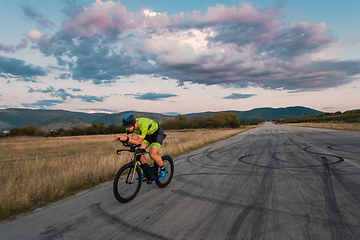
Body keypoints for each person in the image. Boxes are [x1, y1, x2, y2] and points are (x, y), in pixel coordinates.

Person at [115, 113, 167, 180]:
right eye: (126, 126)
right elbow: (130, 140)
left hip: (157, 134)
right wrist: (122, 140)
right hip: (148, 134)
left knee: (152, 154)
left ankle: (163, 169)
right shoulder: (129, 128)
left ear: (134, 123)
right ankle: (146, 171)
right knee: (140, 150)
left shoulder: (143, 125)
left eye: (129, 125)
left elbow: (138, 142)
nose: (128, 128)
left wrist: (126, 139)